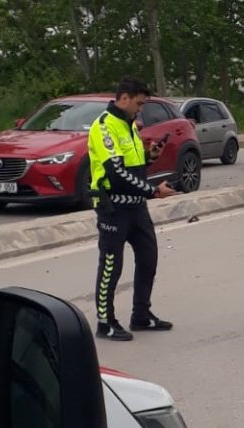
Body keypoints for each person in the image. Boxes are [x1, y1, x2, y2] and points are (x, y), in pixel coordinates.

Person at [88, 76, 178, 341]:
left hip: (137, 207)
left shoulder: (130, 126)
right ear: (124, 98)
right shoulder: (104, 127)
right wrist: (152, 190)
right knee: (111, 266)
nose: (140, 110)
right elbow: (115, 173)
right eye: (138, 104)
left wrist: (152, 156)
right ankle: (105, 322)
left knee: (148, 258)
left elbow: (135, 167)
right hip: (112, 207)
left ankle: (141, 315)